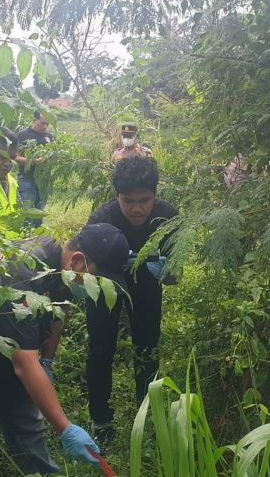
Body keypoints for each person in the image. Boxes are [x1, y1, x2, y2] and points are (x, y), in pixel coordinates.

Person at [0, 223, 131, 476]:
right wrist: (65, 428)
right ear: (78, 262)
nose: (99, 291)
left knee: (30, 438)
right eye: (100, 282)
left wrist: (47, 361)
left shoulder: (59, 264)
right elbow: (24, 365)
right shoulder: (20, 276)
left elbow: (60, 307)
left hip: (10, 348)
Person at [84, 157, 178, 445]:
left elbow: (176, 271)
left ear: (155, 195)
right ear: (116, 196)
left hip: (148, 280)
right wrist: (103, 268)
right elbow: (83, 264)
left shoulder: (168, 216)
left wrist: (167, 270)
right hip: (107, 282)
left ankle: (145, 413)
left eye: (144, 200)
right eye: (128, 201)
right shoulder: (102, 218)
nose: (137, 208)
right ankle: (101, 419)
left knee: (147, 344)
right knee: (101, 347)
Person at [15, 111, 54, 227]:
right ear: (34, 120)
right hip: (27, 178)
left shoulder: (49, 137)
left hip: (43, 180)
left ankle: (37, 239)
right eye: (42, 123)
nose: (45, 126)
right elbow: (15, 156)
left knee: (40, 211)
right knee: (28, 211)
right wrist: (32, 160)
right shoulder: (22, 135)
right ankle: (25, 239)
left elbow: (54, 156)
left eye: (47, 124)